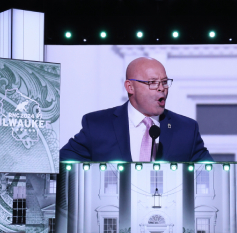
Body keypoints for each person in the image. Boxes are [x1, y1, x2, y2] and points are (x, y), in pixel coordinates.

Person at [60, 56, 212, 162]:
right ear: (130, 87)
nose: (161, 88)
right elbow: (63, 163)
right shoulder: (97, 124)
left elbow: (211, 174)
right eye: (152, 82)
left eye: (164, 82)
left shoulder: (186, 129)